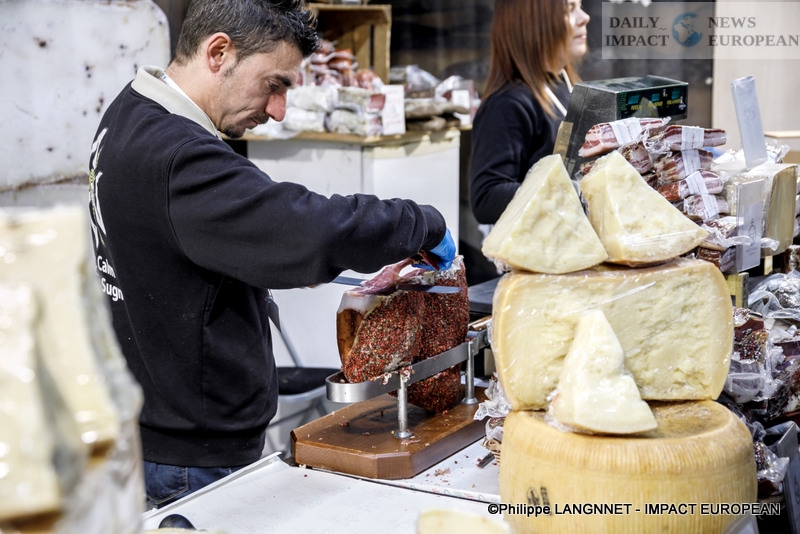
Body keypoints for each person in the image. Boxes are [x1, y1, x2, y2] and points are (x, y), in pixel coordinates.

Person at [87, 0, 455, 509]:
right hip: (194, 453)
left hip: (160, 425)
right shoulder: (178, 155)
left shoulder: (129, 112)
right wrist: (421, 222)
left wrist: (262, 253)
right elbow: (310, 230)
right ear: (219, 52)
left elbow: (178, 244)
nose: (278, 109)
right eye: (274, 84)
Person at [469, 0, 590, 225]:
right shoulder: (507, 104)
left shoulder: (566, 84)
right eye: (569, 8)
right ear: (534, 22)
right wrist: (571, 193)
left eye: (580, 6)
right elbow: (486, 197)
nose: (585, 17)